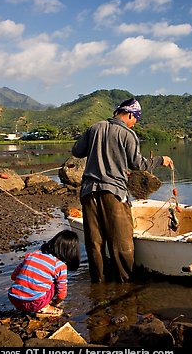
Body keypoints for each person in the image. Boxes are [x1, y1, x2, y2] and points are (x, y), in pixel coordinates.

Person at [71, 97, 173, 283]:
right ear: (129, 115)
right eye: (135, 119)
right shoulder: (127, 134)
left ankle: (98, 286)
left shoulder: (94, 128)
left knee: (95, 243)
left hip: (88, 193)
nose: (135, 124)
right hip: (114, 194)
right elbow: (139, 165)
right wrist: (160, 160)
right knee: (121, 245)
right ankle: (124, 287)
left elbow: (77, 151)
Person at [8, 230, 81, 316]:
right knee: (54, 284)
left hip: (14, 299)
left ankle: (27, 305)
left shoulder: (32, 255)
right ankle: (44, 308)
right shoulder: (59, 265)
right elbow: (62, 294)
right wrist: (55, 302)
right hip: (35, 303)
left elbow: (13, 276)